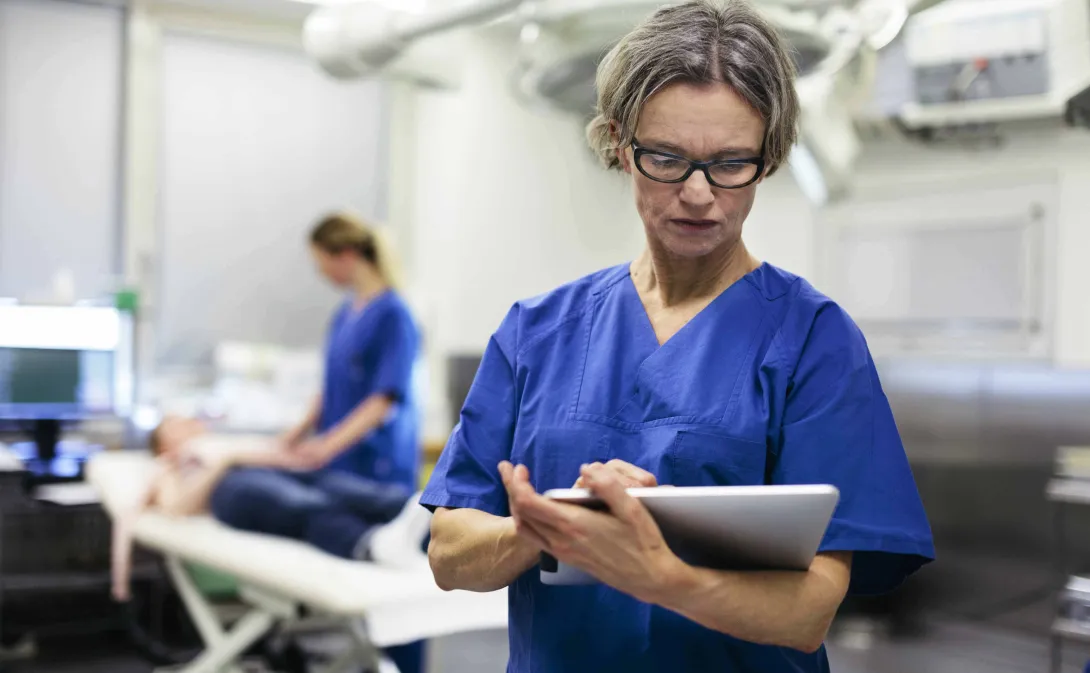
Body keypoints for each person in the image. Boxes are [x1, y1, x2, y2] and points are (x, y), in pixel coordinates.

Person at [421, 2, 935, 672]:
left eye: (730, 163)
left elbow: (809, 612)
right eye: (667, 158)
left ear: (770, 158)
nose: (698, 193)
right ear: (617, 144)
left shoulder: (813, 341)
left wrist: (657, 572)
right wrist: (543, 529)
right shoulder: (537, 330)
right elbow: (448, 550)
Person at [281, 211, 427, 673]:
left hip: (378, 464)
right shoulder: (346, 312)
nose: (320, 272)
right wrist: (298, 434)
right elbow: (330, 387)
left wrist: (326, 447)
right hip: (342, 463)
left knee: (392, 583)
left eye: (321, 261)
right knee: (353, 570)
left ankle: (401, 665)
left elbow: (383, 399)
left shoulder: (394, 314)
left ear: (346, 255)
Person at [111, 416, 432, 604]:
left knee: (349, 489)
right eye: (175, 423)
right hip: (229, 487)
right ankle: (372, 545)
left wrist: (302, 432)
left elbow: (275, 449)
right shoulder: (172, 465)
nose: (187, 421)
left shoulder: (222, 440)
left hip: (277, 469)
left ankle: (432, 522)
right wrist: (224, 462)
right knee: (303, 506)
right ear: (164, 445)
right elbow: (177, 507)